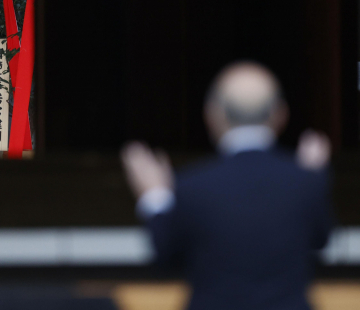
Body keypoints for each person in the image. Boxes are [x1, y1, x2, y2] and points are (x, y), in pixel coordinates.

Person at [121, 61, 333, 310]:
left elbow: (166, 254)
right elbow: (321, 240)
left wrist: (155, 197)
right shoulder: (305, 181)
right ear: (280, 114)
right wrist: (310, 179)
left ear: (213, 114)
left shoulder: (191, 185)